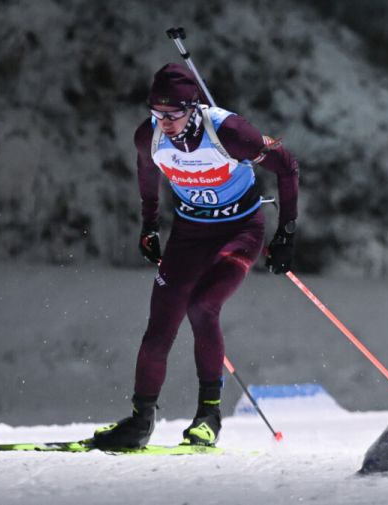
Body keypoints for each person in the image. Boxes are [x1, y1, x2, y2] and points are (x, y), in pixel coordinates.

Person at [92, 63, 300, 449]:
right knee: (161, 323)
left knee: (203, 307)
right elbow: (147, 175)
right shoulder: (148, 137)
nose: (164, 122)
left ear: (194, 106)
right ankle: (140, 421)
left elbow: (286, 164)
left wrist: (286, 231)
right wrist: (149, 225)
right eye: (157, 113)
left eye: (173, 114)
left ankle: (208, 417)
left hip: (239, 230)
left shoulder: (231, 133)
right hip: (189, 234)